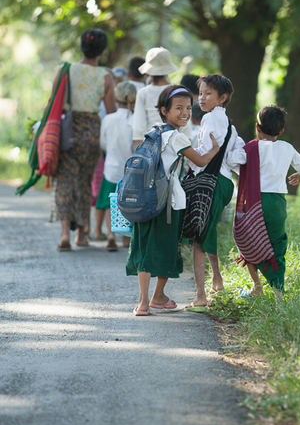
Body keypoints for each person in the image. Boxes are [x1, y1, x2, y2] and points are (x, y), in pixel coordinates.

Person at [126, 84, 220, 316]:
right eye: (178, 108)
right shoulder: (177, 138)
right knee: (165, 249)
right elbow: (198, 161)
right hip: (167, 203)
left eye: (188, 107)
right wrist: (215, 149)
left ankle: (143, 302)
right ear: (164, 110)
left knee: (144, 248)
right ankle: (158, 296)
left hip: (145, 199)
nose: (185, 113)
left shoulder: (153, 132)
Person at [232, 105, 300, 297]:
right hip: (277, 203)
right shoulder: (287, 148)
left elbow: (231, 161)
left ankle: (257, 287)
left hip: (253, 202)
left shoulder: (250, 148)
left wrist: (248, 174)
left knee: (247, 240)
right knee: (277, 245)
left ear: (257, 127)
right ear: (281, 130)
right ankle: (278, 293)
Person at [186, 74, 245, 311]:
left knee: (198, 238)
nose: (202, 97)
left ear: (222, 98)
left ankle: (200, 297)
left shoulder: (209, 119)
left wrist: (185, 158)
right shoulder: (230, 125)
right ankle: (217, 281)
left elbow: (204, 154)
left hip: (208, 182)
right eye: (200, 93)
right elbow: (236, 155)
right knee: (206, 229)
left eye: (208, 94)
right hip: (224, 183)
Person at [55, 29, 116, 251]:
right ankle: (81, 235)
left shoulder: (65, 70)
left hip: (67, 131)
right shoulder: (105, 76)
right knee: (84, 182)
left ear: (82, 47)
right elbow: (111, 112)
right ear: (102, 51)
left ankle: (64, 234)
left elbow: (54, 102)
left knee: (64, 181)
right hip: (92, 133)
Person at [96, 81, 137, 251]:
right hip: (130, 172)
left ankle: (111, 235)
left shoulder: (108, 119)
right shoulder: (135, 121)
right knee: (129, 204)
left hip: (111, 168)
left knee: (109, 202)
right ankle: (126, 239)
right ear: (134, 99)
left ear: (116, 97)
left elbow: (103, 144)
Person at [132, 47, 191, 147]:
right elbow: (186, 124)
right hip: (176, 145)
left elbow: (139, 128)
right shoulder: (178, 92)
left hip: (151, 146)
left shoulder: (143, 93)